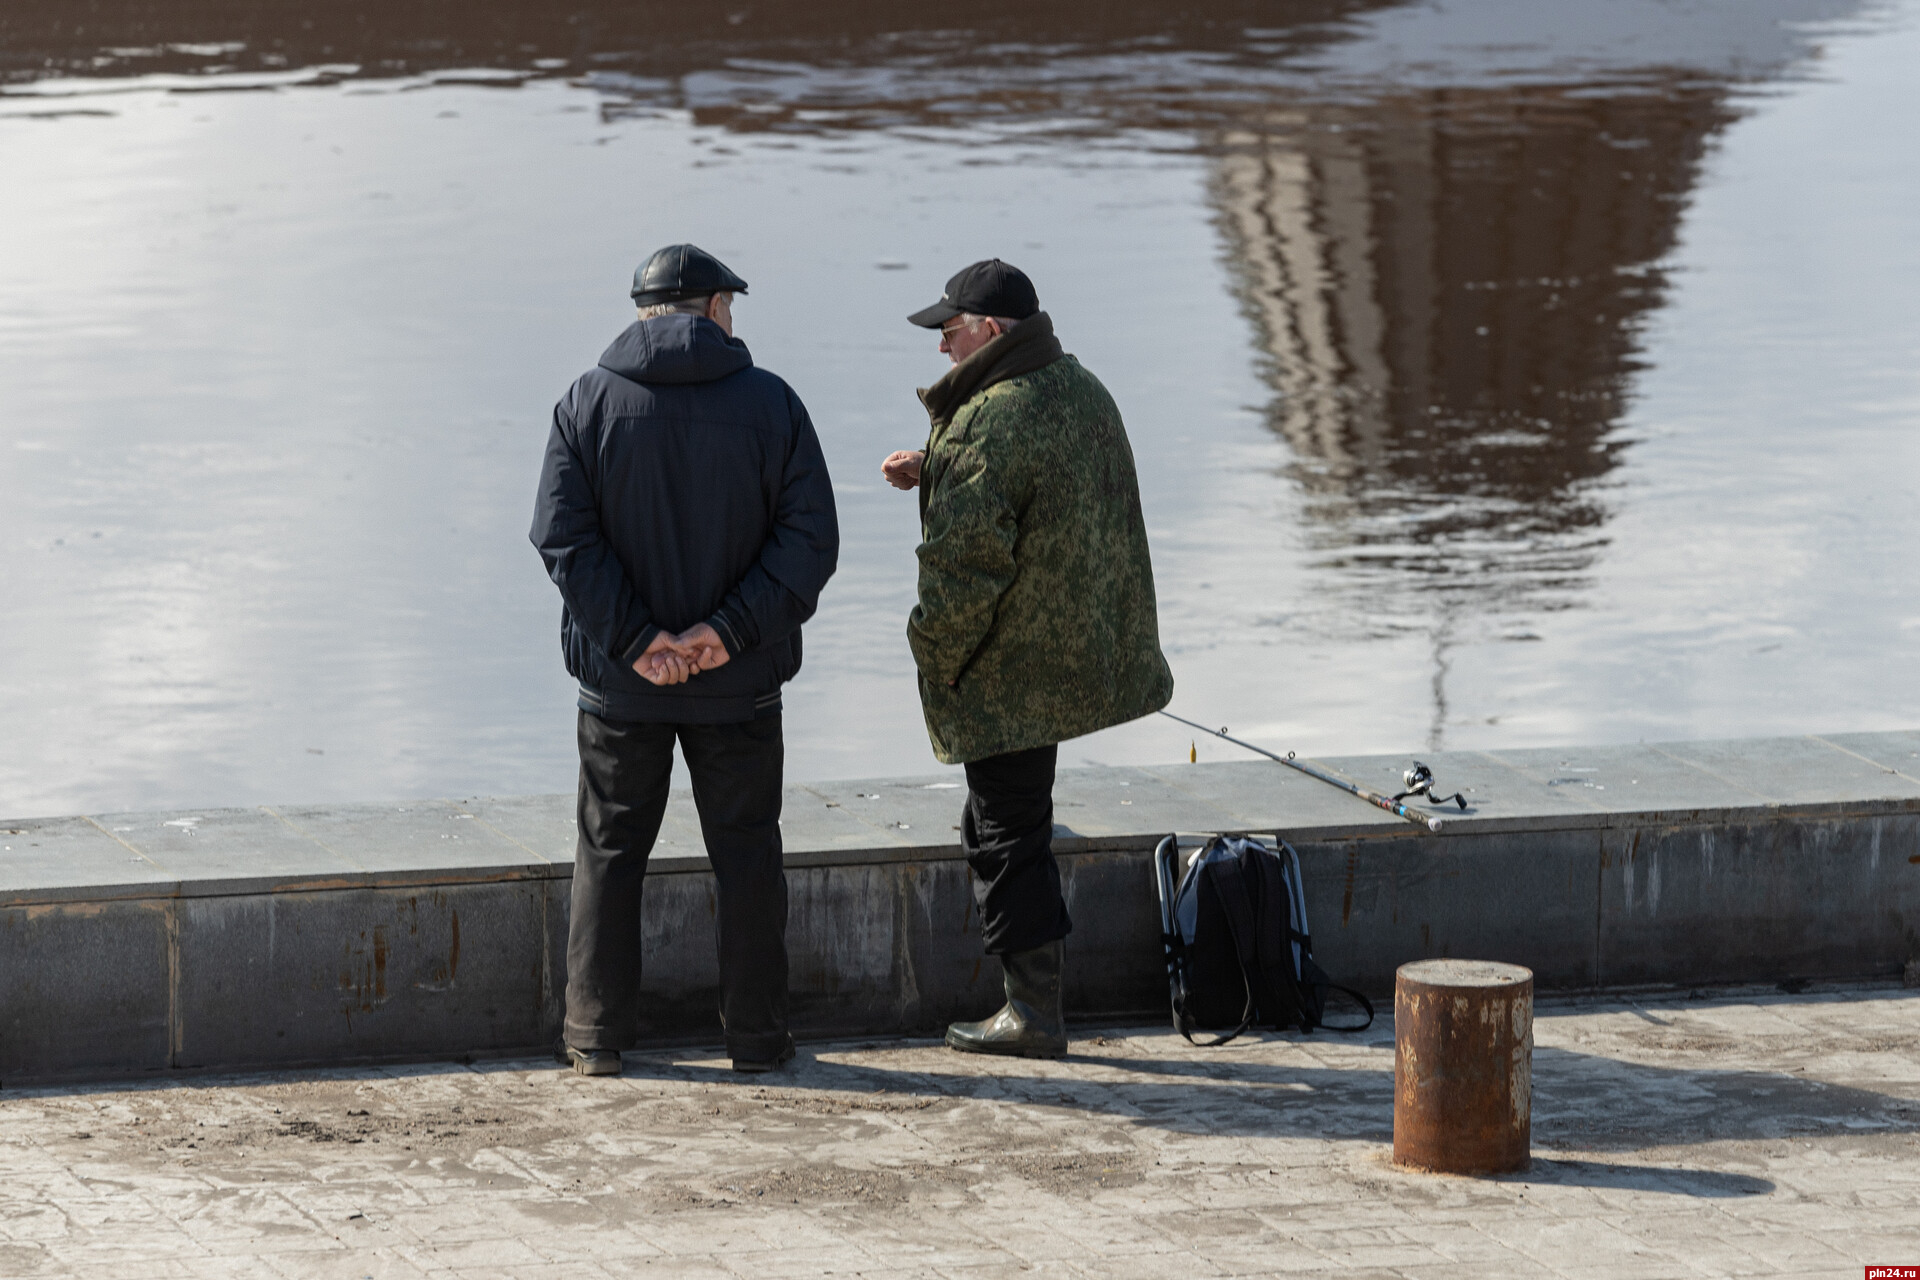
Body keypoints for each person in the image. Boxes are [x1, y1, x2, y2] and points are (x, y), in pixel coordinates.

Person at [531, 244, 838, 1076]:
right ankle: (757, 1040)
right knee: (747, 858)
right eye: (730, 305)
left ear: (642, 313)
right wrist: (726, 635)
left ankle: (596, 1039)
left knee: (608, 853)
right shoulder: (774, 405)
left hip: (619, 685)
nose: (734, 319)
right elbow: (811, 542)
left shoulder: (586, 403)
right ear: (708, 309)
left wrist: (637, 642)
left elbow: (561, 536)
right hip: (738, 686)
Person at [881, 259, 1173, 1057]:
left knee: (1006, 831)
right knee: (1013, 817)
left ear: (993, 333)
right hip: (1075, 649)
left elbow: (964, 566)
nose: (943, 349)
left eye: (951, 332)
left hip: (1010, 665)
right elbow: (1049, 489)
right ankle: (1032, 1001)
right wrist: (934, 466)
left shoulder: (989, 418)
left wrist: (934, 655)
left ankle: (1034, 1015)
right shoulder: (1080, 387)